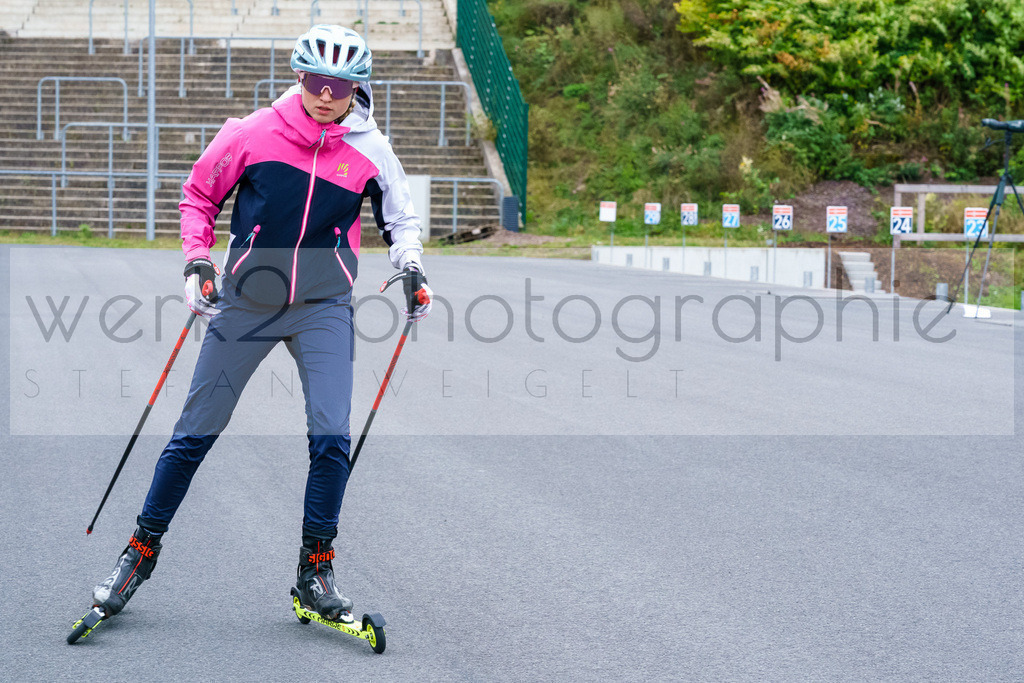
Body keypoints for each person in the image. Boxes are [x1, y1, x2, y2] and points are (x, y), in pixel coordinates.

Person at [89, 24, 431, 624]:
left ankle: (315, 569)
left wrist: (411, 266)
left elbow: (399, 220)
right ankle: (138, 554)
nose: (327, 94)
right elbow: (199, 195)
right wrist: (197, 260)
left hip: (323, 308)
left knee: (331, 436)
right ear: (300, 78)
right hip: (247, 303)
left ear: (358, 88)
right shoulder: (252, 132)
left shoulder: (373, 149)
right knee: (195, 431)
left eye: (341, 85)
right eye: (316, 81)